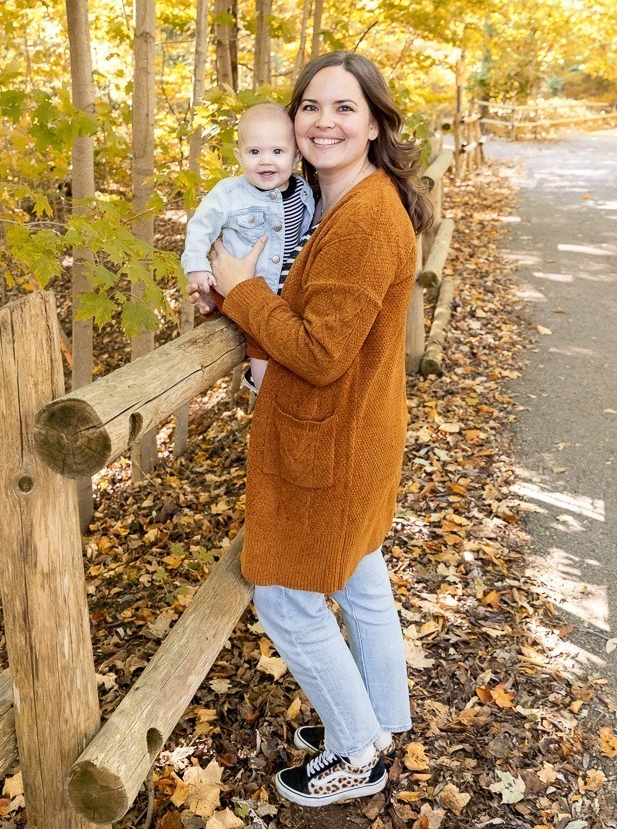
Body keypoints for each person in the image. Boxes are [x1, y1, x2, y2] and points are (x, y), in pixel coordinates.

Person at [186, 51, 433, 807]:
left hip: (333, 440)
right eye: (310, 108)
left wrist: (243, 290)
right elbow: (312, 313)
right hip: (357, 430)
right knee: (360, 577)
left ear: (374, 124)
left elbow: (321, 352)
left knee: (286, 598)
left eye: (344, 108)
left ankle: (356, 753)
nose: (324, 122)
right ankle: (379, 720)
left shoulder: (364, 220)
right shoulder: (328, 201)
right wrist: (236, 296)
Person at [181, 101, 315, 390]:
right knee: (259, 343)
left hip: (283, 294)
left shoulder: (303, 191)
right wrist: (196, 268)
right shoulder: (229, 194)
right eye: (255, 152)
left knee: (287, 334)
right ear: (239, 155)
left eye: (277, 152)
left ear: (296, 156)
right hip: (242, 290)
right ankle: (263, 388)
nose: (266, 161)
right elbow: (200, 228)